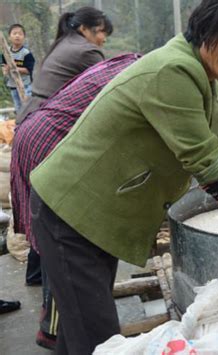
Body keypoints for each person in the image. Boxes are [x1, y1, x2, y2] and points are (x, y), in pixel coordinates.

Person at [29, 0, 218, 353]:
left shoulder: (207, 78)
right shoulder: (173, 72)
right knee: (100, 339)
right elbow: (212, 170)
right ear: (208, 25)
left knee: (82, 328)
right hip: (71, 210)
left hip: (97, 213)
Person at [10, 53, 139, 351]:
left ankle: (55, 332)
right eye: (100, 33)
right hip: (56, 170)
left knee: (78, 302)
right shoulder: (99, 58)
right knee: (90, 316)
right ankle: (50, 328)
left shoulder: (98, 57)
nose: (102, 41)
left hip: (53, 159)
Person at [1, 24, 35, 112]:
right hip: (13, 85)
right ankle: (20, 124)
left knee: (27, 107)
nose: (17, 36)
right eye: (14, 33)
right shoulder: (5, 52)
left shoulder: (26, 53)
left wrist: (14, 68)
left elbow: (28, 70)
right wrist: (5, 70)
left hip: (26, 86)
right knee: (18, 107)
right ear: (9, 37)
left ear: (24, 37)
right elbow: (4, 69)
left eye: (20, 34)